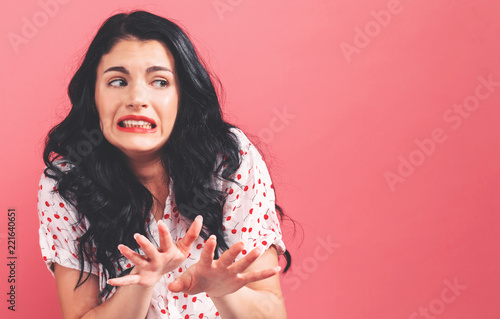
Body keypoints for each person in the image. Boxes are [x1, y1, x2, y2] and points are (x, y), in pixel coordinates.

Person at [37, 9, 291, 319]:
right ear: (94, 95)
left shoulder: (229, 159)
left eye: (159, 82)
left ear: (182, 96)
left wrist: (223, 292)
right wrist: (141, 284)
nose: (137, 99)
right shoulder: (66, 181)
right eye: (117, 81)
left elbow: (273, 313)